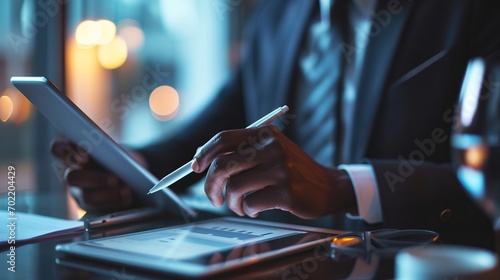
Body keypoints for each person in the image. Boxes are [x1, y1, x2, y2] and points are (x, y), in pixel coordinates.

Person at [52, 0, 500, 248]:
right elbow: (229, 113)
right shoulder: (276, 12)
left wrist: (344, 186)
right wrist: (136, 169)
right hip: (282, 257)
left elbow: (490, 175)